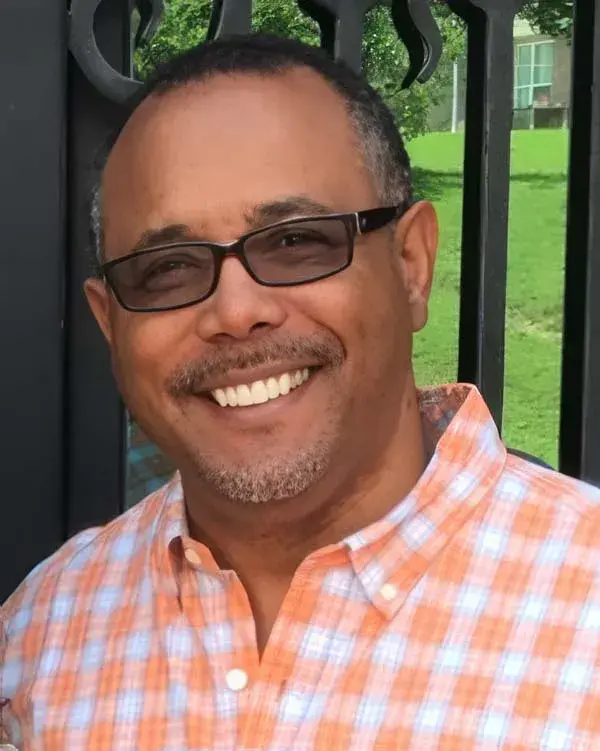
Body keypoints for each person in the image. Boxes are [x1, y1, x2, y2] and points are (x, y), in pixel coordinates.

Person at [2, 33, 600, 751]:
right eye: (167, 269)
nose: (235, 312)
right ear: (111, 325)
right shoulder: (41, 634)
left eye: (295, 243)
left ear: (411, 266)